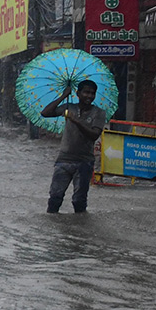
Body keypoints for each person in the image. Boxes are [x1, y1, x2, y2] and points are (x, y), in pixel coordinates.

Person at [40, 78, 106, 214]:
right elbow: (45, 113)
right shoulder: (69, 107)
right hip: (63, 160)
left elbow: (94, 135)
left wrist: (76, 121)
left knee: (79, 200)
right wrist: (63, 95)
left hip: (84, 162)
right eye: (86, 92)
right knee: (55, 197)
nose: (89, 96)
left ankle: (80, 228)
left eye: (92, 93)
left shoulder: (99, 113)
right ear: (78, 93)